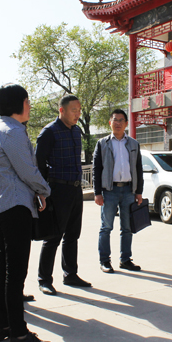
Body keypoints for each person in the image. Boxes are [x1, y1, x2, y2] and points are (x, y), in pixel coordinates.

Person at [0, 84, 52, 342]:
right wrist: (45, 190)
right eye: (27, 101)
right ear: (17, 104)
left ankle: (2, 327)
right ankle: (19, 333)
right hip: (15, 207)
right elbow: (27, 170)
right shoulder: (12, 131)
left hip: (4, 206)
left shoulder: (1, 129)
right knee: (15, 273)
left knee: (4, 271)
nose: (30, 106)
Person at [36, 95, 91, 295]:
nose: (78, 114)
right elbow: (39, 163)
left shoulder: (76, 131)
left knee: (73, 235)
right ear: (61, 110)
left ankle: (70, 274)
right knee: (53, 236)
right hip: (57, 190)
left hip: (75, 189)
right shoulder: (49, 132)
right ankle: (44, 279)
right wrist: (43, 190)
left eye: (79, 110)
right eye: (74, 110)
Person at [0, 115, 35, 303]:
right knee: (1, 251)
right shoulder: (0, 126)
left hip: (17, 195)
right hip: (4, 195)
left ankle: (13, 290)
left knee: (14, 255)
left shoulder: (18, 125)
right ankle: (5, 292)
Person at [93, 109, 144, 273]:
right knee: (106, 227)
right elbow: (96, 169)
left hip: (128, 190)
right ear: (110, 123)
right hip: (109, 191)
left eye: (121, 120)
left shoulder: (133, 144)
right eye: (115, 120)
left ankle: (125, 260)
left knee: (127, 228)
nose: (118, 123)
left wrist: (138, 191)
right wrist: (97, 192)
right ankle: (105, 261)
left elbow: (138, 168)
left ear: (126, 124)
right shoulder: (102, 143)